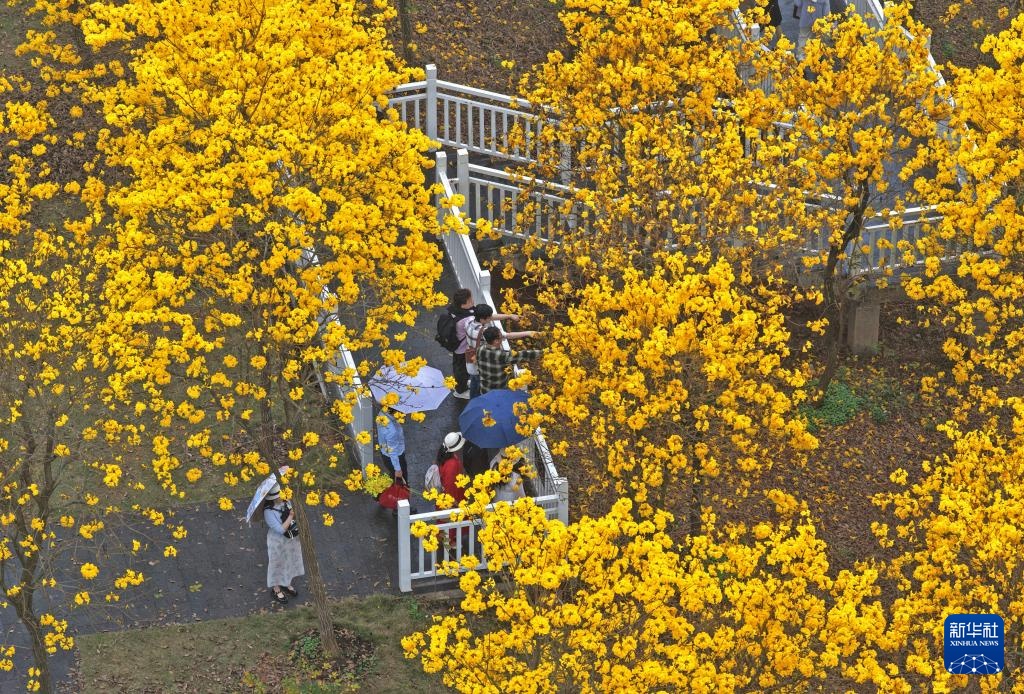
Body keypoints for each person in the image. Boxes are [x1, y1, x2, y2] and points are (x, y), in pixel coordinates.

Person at [460, 304, 537, 398]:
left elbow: (491, 317)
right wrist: (528, 333)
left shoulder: (469, 321)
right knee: (478, 386)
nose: (491, 319)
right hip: (480, 365)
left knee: (474, 382)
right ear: (483, 319)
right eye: (489, 318)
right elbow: (507, 335)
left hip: (470, 361)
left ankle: (473, 401)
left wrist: (509, 316)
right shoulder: (485, 332)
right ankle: (477, 400)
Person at [263, 484, 304, 604]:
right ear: (274, 498)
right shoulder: (268, 512)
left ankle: (286, 583)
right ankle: (276, 589)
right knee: (277, 564)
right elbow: (281, 530)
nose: (283, 496)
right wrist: (291, 515)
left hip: (291, 539)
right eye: (279, 495)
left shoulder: (287, 502)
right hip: (277, 542)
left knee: (289, 561)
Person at [476, 325, 544, 394]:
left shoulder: (480, 349)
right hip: (498, 391)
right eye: (501, 337)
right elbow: (524, 355)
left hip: (485, 388)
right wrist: (544, 353)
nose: (503, 338)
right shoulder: (501, 355)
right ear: (496, 341)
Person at [448, 288, 476, 399]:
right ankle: (460, 391)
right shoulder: (466, 319)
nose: (473, 301)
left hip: (457, 346)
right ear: (463, 305)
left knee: (461, 368)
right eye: (470, 300)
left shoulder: (455, 309)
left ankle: (462, 385)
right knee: (461, 370)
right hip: (462, 349)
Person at [376, 406, 408, 484]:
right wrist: (398, 469)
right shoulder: (391, 431)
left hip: (385, 451)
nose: (404, 414)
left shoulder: (383, 412)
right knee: (402, 481)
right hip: (395, 457)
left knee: (393, 476)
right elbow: (393, 451)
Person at [437, 432, 467, 506]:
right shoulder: (452, 465)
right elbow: (450, 487)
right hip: (454, 499)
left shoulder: (446, 454)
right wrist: (455, 504)